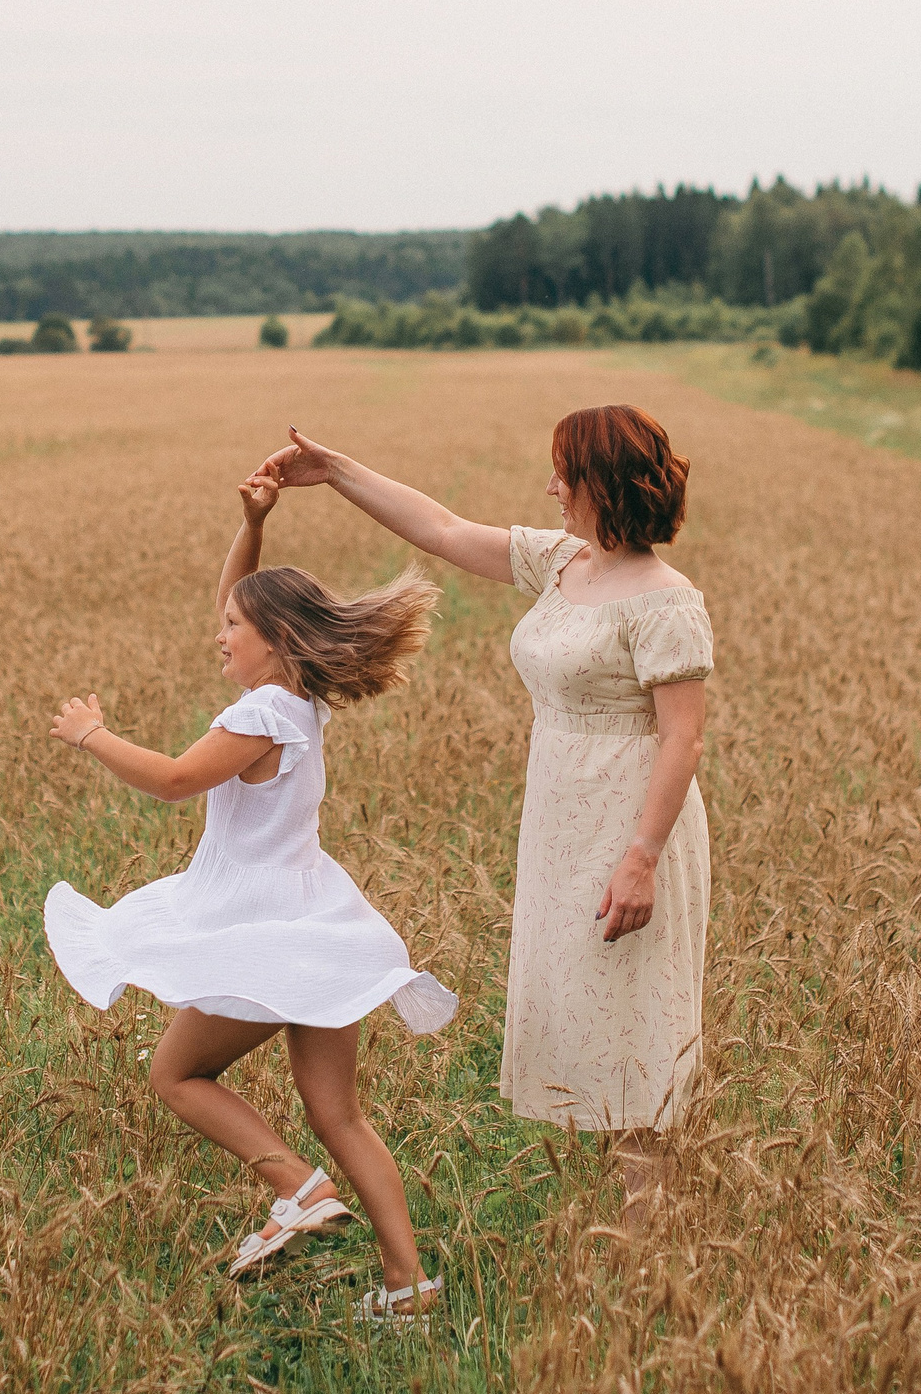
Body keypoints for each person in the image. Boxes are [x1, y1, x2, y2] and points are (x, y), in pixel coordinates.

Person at [260, 406, 712, 1228]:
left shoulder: (667, 601)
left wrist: (641, 856)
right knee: (585, 1011)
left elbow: (682, 736)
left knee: (635, 1022)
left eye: (563, 474)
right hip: (561, 822)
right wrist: (336, 471)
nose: (550, 488)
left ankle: (648, 1243)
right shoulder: (563, 562)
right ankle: (618, 1225)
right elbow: (438, 527)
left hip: (631, 822)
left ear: (605, 485)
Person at [43, 468, 454, 1322]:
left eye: (233, 625)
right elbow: (240, 600)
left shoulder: (261, 713)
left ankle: (295, 1188)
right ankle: (407, 1284)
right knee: (340, 1111)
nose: (219, 632)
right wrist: (252, 522)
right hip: (322, 923)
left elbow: (173, 779)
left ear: (273, 637)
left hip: (265, 927)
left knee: (177, 1069)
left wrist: (93, 735)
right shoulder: (299, 703)